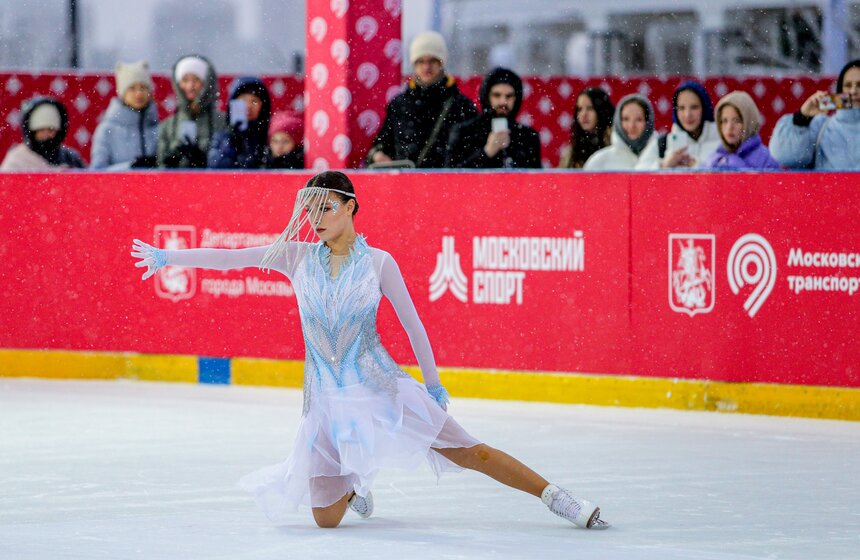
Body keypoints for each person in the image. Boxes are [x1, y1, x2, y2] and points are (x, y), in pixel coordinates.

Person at [130, 171, 609, 531]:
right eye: (312, 211)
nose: (317, 219)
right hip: (325, 404)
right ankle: (355, 482)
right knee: (325, 520)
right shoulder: (296, 258)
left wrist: (434, 382)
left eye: (327, 208)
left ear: (351, 207)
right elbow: (232, 258)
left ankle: (556, 497)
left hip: (382, 388)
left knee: (471, 452)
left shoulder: (379, 263)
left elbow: (412, 323)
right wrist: (171, 256)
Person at [366, 31, 476, 168]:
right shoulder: (399, 105)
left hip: (450, 186)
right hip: (405, 186)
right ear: (413, 64)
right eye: (420, 61)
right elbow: (381, 145)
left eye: (432, 61)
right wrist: (377, 155)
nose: (426, 67)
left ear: (442, 62)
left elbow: (474, 154)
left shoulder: (462, 106)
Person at [769, 59, 860, 170]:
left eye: (859, 85)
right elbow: (783, 155)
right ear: (840, 90)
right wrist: (801, 118)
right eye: (848, 85)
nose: (854, 91)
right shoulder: (821, 126)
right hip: (829, 188)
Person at [445, 67, 541, 168]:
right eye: (497, 95)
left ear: (516, 99)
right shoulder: (465, 132)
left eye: (509, 96)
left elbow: (536, 179)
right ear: (487, 97)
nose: (503, 102)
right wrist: (486, 152)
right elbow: (451, 177)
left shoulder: (528, 137)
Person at [157, 54, 227, 168]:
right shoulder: (167, 125)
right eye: (185, 80)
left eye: (196, 80)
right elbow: (160, 164)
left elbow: (228, 164)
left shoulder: (223, 121)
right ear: (178, 84)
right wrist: (170, 161)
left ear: (206, 84)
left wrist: (204, 161)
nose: (190, 86)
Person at [89, 61, 159, 169]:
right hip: (117, 186)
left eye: (143, 88)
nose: (138, 93)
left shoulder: (160, 129)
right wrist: (131, 167)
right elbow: (97, 172)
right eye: (132, 88)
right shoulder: (107, 130)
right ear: (122, 93)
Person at [638, 81, 721, 169]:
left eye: (694, 107)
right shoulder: (663, 143)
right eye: (681, 108)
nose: (687, 114)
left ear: (705, 109)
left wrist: (698, 166)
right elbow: (637, 175)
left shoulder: (723, 143)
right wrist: (664, 165)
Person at [1, 96, 85, 171]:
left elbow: (86, 184)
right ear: (31, 131)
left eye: (51, 130)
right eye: (41, 130)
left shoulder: (69, 158)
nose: (46, 134)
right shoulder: (17, 160)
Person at [705, 91, 780, 170]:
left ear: (749, 122)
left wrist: (737, 165)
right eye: (724, 121)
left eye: (737, 121)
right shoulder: (713, 159)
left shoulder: (765, 160)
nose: (729, 127)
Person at [208, 77, 272, 169]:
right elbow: (215, 168)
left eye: (254, 101)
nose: (248, 106)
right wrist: (231, 142)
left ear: (263, 106)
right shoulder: (222, 137)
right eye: (243, 100)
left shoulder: (270, 136)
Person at [583, 94, 657, 170]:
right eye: (626, 119)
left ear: (648, 122)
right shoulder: (599, 161)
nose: (631, 126)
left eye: (639, 119)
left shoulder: (663, 155)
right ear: (618, 122)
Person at [557, 88, 614, 169]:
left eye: (590, 108)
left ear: (602, 111)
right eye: (580, 109)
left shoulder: (616, 144)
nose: (583, 114)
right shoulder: (571, 153)